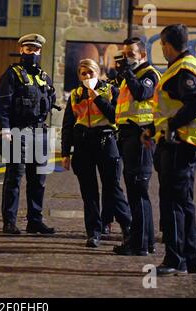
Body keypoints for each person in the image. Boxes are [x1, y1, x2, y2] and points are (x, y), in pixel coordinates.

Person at [151, 24, 196, 275]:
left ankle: (175, 260)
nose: (162, 50)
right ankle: (191, 258)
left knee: (174, 204)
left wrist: (171, 126)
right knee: (183, 203)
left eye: (162, 45)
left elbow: (195, 104)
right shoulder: (194, 66)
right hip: (185, 143)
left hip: (178, 144)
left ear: (167, 45)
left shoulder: (182, 69)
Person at [61, 58, 131, 248]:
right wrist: (65, 152)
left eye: (90, 72)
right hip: (83, 144)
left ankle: (128, 228)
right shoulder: (75, 95)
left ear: (97, 73)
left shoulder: (109, 90)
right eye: (83, 74)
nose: (87, 76)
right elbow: (68, 125)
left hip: (106, 141)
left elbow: (114, 115)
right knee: (89, 192)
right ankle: (93, 232)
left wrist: (96, 97)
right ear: (79, 76)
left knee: (112, 188)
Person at [0, 34, 56, 235]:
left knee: (38, 179)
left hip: (40, 131)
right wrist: (4, 128)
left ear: (40, 52)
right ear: (21, 50)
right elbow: (3, 105)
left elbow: (50, 100)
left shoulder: (44, 77)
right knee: (14, 178)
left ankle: (35, 220)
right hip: (17, 131)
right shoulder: (12, 74)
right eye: (29, 49)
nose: (33, 53)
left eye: (36, 50)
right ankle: (9, 222)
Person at [112, 37, 161, 256]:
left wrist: (128, 74)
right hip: (128, 136)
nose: (127, 57)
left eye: (131, 53)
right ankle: (145, 241)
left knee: (138, 191)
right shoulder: (128, 77)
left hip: (141, 137)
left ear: (143, 54)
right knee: (135, 192)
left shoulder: (149, 74)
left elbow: (143, 93)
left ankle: (139, 244)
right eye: (124, 53)